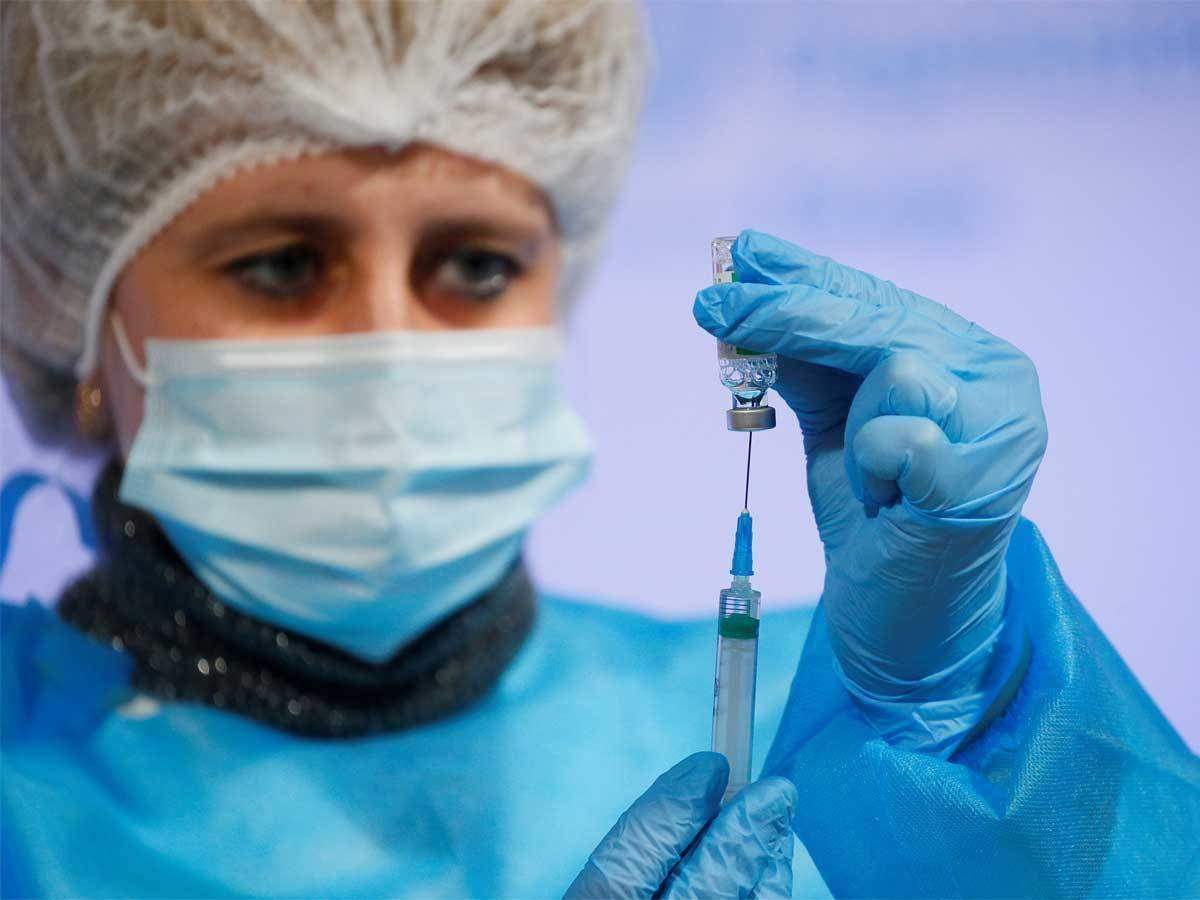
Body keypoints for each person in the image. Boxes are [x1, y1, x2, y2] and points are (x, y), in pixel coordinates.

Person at [1, 2, 1196, 898]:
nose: (389, 344)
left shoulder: (829, 729)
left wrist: (977, 740)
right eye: (279, 265)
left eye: (476, 265)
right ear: (76, 319)